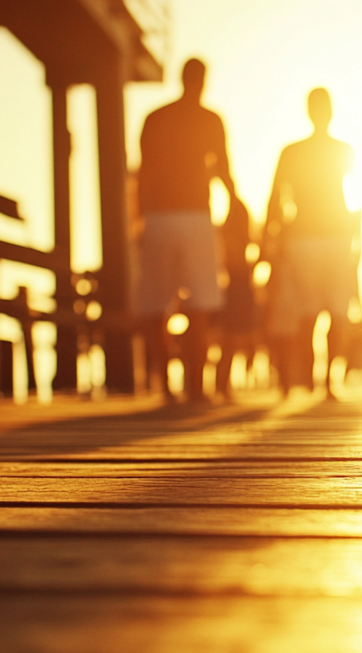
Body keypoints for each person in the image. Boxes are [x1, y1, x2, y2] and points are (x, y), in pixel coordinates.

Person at [134, 58, 237, 403]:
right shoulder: (211, 120)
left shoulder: (155, 118)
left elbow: (143, 173)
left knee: (155, 304)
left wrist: (140, 219)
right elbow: (223, 169)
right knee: (200, 303)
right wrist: (237, 203)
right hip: (195, 216)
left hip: (159, 218)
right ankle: (196, 385)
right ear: (203, 81)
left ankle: (166, 386)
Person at [263, 88, 362, 399]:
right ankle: (327, 382)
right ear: (329, 111)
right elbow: (358, 202)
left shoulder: (292, 152)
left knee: (310, 312)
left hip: (306, 238)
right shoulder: (342, 150)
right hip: (330, 237)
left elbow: (274, 199)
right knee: (333, 311)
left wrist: (271, 239)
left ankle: (314, 378)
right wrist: (358, 241)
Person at [214, 197, 260, 400]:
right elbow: (231, 264)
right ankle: (222, 387)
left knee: (234, 341)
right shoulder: (232, 239)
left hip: (238, 288)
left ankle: (223, 386)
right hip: (237, 289)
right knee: (231, 340)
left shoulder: (230, 237)